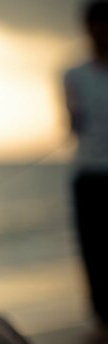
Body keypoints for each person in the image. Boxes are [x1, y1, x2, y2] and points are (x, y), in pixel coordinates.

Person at [63, 1, 108, 327]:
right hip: (88, 172)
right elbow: (72, 123)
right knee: (93, 250)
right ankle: (101, 321)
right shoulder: (73, 75)